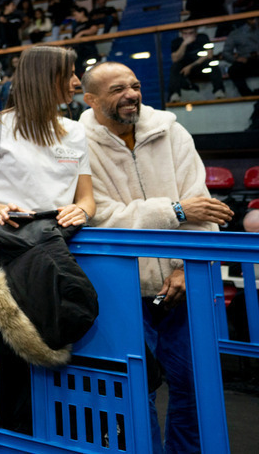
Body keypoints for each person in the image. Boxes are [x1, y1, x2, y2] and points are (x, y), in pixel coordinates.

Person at [79, 62, 233, 454]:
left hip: (183, 284)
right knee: (133, 392)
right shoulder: (76, 143)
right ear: (90, 99)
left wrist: (185, 267)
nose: (131, 94)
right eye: (117, 89)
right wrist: (175, 211)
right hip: (121, 287)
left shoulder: (172, 130)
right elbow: (99, 216)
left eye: (134, 86)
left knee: (196, 387)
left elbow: (202, 204)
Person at [0, 45, 95, 433]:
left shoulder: (75, 130)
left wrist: (82, 210)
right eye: (68, 74)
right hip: (15, 251)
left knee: (67, 359)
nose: (75, 82)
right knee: (16, 367)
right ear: (42, 78)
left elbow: (86, 196)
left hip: (64, 249)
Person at [167, 26, 224, 102]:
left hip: (201, 67)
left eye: (191, 33)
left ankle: (219, 91)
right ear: (181, 33)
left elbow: (209, 54)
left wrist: (191, 66)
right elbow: (175, 59)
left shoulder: (202, 37)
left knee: (212, 64)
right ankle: (175, 95)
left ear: (196, 32)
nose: (188, 35)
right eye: (185, 33)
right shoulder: (177, 42)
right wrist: (184, 44)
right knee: (175, 67)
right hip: (184, 71)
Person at [221, 17, 259, 96]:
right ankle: (247, 95)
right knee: (233, 70)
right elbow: (226, 52)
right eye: (253, 19)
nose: (255, 21)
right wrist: (236, 59)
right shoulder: (236, 33)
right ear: (247, 19)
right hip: (246, 61)